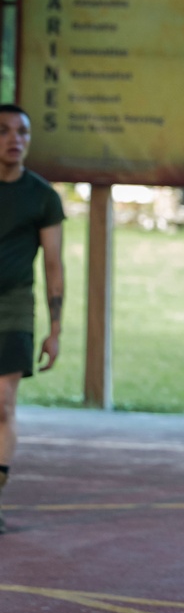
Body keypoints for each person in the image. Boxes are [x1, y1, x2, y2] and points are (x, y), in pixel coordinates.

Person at [0, 103, 64, 532]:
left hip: (15, 305)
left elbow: (54, 264)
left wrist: (55, 330)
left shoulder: (43, 196)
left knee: (3, 404)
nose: (14, 139)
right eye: (4, 131)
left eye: (22, 131)